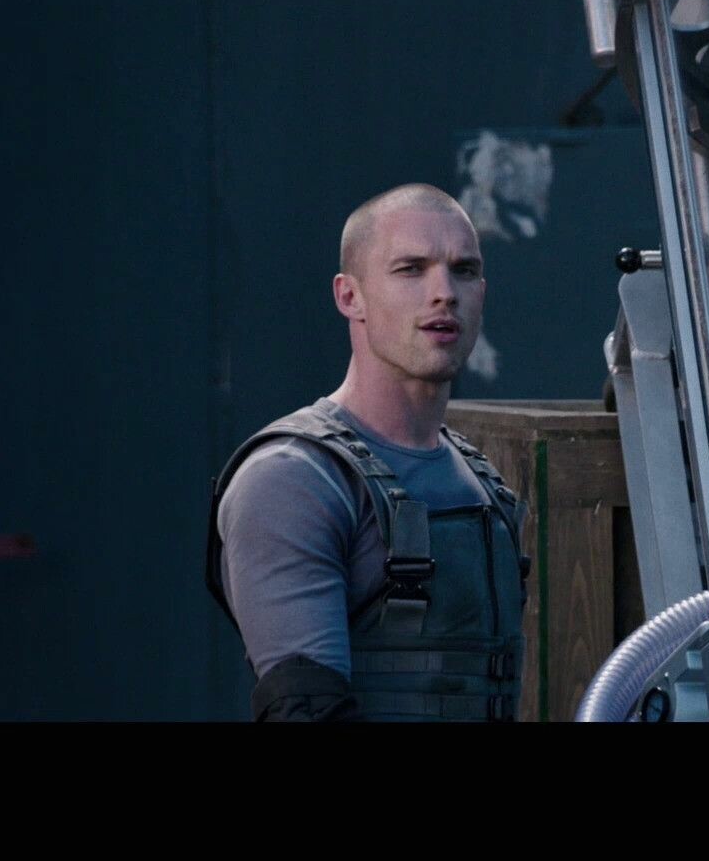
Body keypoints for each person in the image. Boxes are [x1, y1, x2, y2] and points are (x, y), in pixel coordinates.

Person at [205, 184, 528, 721]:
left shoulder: (484, 482)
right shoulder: (293, 479)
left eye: (464, 270)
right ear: (349, 296)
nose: (444, 293)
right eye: (411, 269)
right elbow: (306, 711)